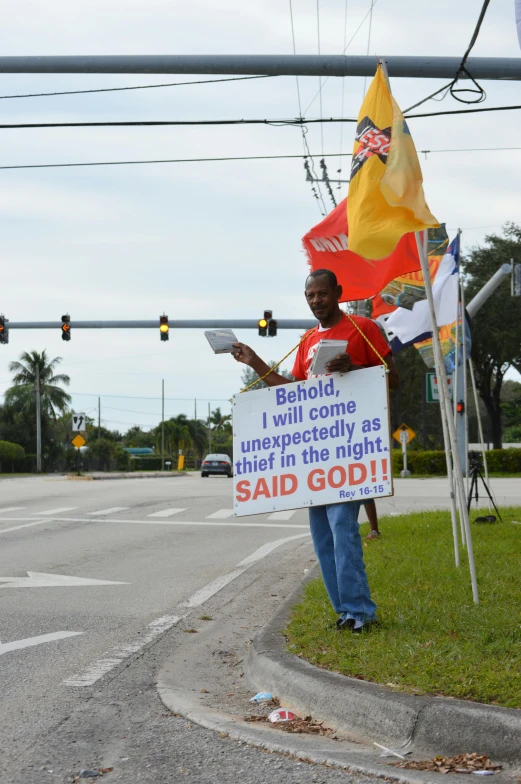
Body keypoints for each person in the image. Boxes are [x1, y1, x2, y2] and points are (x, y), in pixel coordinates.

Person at [232, 269, 399, 633]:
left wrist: (354, 369)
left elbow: (393, 377)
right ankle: (344, 611)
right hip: (315, 453)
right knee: (322, 533)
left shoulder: (364, 329)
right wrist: (255, 361)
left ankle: (361, 611)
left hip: (349, 446)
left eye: (322, 294)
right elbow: (292, 391)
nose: (316, 301)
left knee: (343, 526)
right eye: (310, 296)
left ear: (338, 292)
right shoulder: (308, 340)